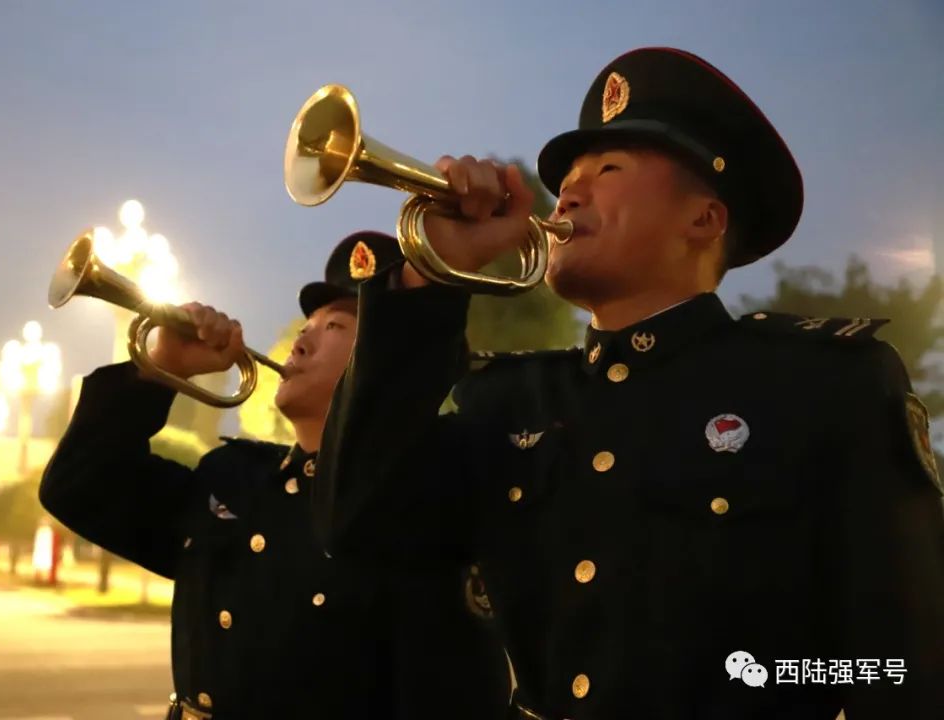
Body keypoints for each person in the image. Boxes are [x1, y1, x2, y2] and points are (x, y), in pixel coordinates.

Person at [312, 48, 944, 719]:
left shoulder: (825, 382)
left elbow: (904, 664)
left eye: (608, 170)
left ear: (703, 220)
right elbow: (357, 522)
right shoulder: (506, 401)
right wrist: (428, 281)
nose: (571, 193)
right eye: (569, 179)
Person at [39, 231, 509, 720]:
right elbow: (78, 487)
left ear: (390, 361)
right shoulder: (235, 478)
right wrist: (159, 370)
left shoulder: (428, 498)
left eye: (335, 326)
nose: (302, 340)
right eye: (310, 323)